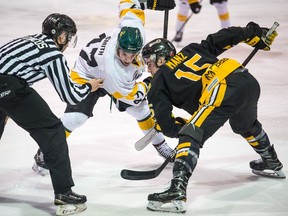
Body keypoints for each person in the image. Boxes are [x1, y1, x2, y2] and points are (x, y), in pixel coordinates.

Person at [140, 22, 285, 213]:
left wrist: (180, 128)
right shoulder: (192, 50)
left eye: (149, 63)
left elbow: (167, 126)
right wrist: (254, 33)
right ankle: (271, 161)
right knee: (244, 125)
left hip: (222, 88)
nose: (148, 70)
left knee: (190, 134)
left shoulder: (158, 82)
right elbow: (225, 36)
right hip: (246, 80)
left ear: (160, 59)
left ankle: (176, 191)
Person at [32, 0, 177, 176]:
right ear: (117, 46)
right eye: (123, 53)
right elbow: (132, 96)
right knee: (76, 117)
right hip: (87, 74)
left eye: (133, 54)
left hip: (110, 75)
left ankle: (161, 146)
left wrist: (149, 2)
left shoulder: (133, 26)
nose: (127, 58)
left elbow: (129, 3)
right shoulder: (112, 69)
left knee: (141, 110)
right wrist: (149, 83)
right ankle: (46, 150)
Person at [0, 13, 103, 215]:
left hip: (6, 86)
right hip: (9, 87)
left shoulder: (28, 40)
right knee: (53, 130)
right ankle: (64, 192)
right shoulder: (51, 54)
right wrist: (88, 87)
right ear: (61, 36)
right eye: (69, 37)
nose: (67, 43)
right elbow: (70, 95)